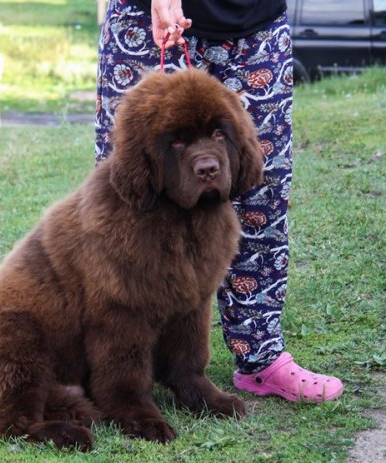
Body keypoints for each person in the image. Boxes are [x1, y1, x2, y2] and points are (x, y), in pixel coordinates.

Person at [95, 0, 344, 402]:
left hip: (255, 26)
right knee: (131, 198)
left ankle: (261, 358)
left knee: (260, 188)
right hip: (149, 19)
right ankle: (122, 360)